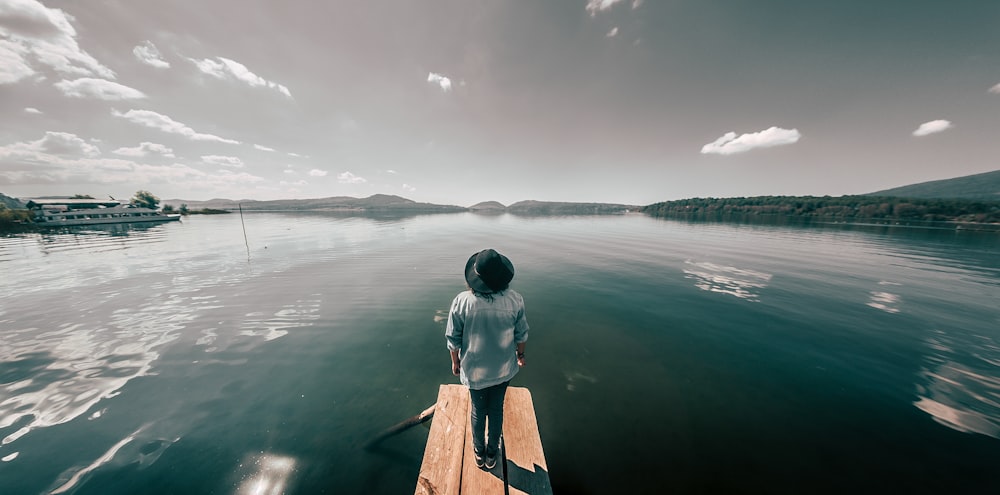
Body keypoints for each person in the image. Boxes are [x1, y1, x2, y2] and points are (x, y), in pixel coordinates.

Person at [446, 248, 529, 470]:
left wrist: (455, 361)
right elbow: (521, 334)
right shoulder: (515, 300)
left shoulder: (462, 301)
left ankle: (479, 453)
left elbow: (453, 338)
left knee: (478, 410)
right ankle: (493, 454)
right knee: (496, 409)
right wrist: (520, 355)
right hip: (503, 369)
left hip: (474, 371)